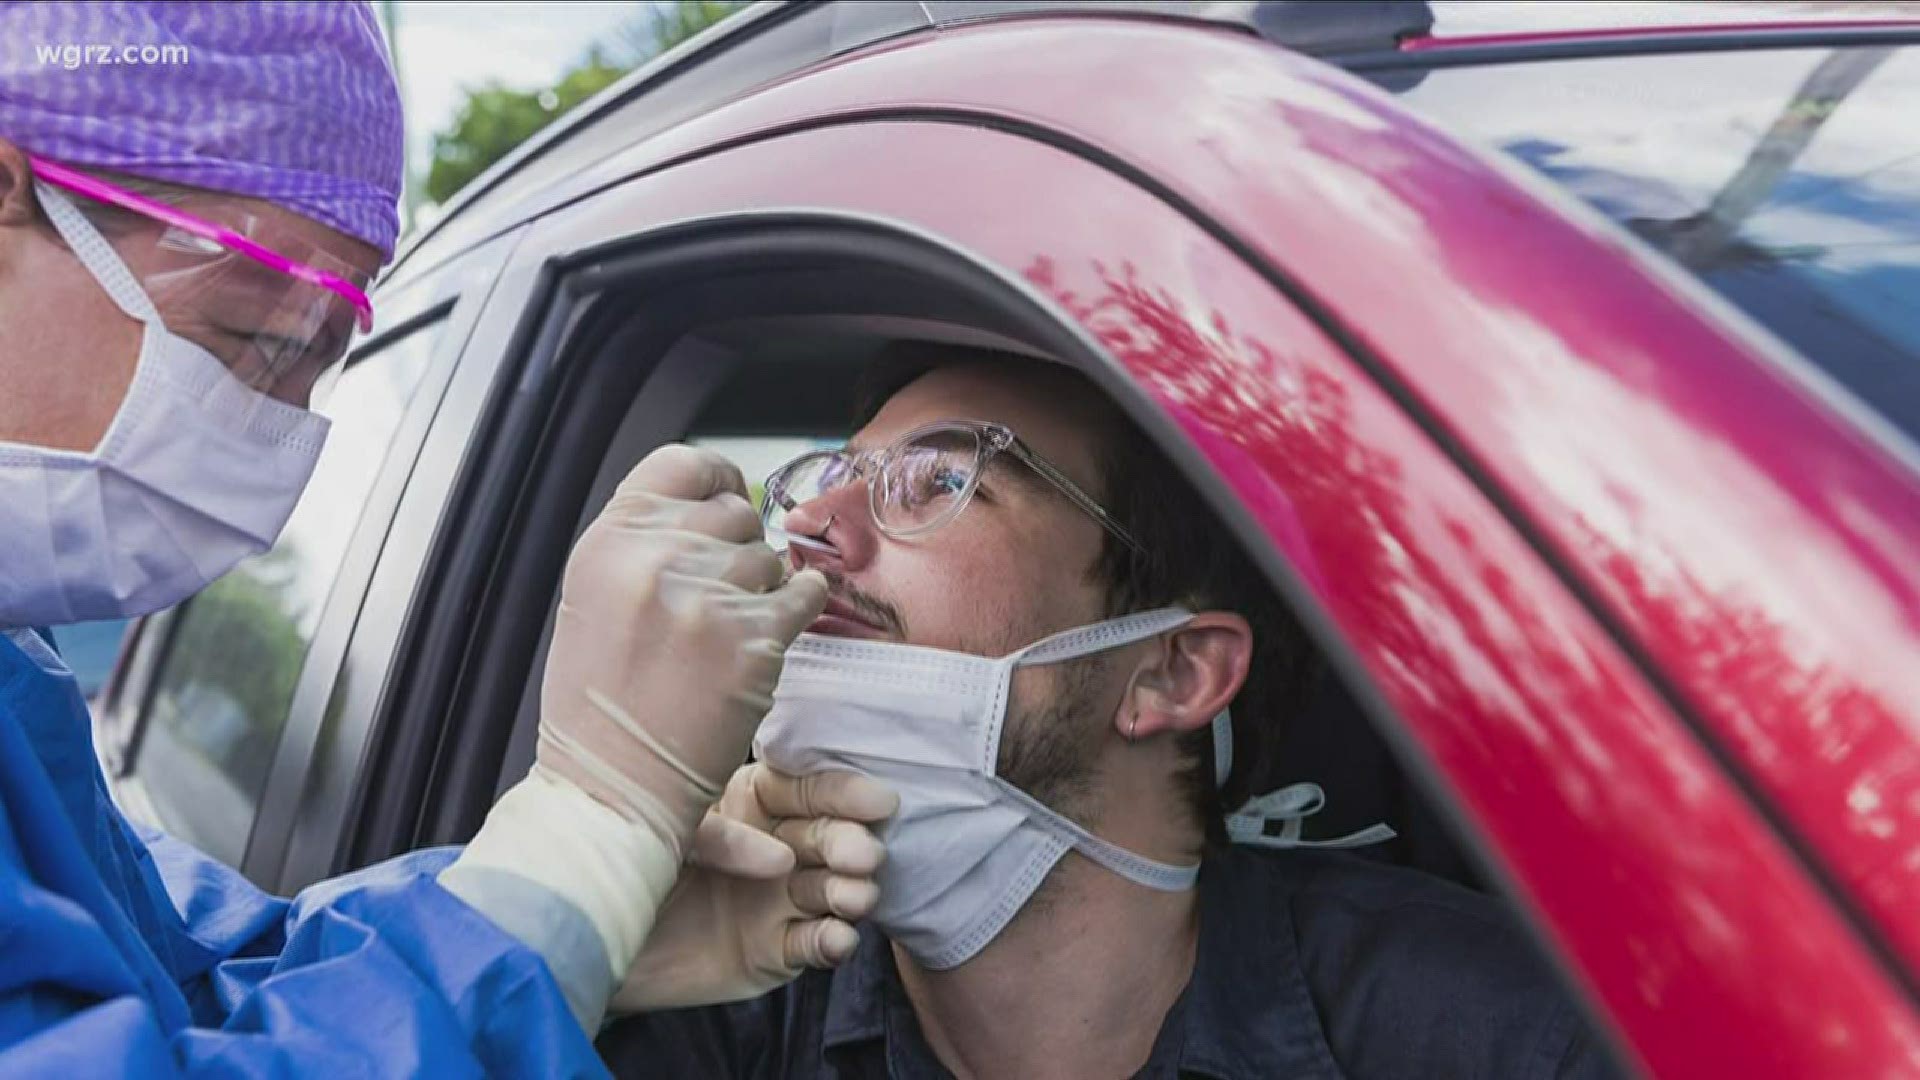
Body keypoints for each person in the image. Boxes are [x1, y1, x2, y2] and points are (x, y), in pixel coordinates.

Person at [0, 4, 891, 1074]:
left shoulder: (22, 684)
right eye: (241, 334)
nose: (264, 422)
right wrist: (588, 836)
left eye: (316, 361)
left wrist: (574, 918)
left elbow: (179, 978)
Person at [598, 344, 1620, 1078]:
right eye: (832, 475)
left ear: (1173, 674)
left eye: (939, 480)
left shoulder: (1495, 1037)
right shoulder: (708, 1005)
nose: (815, 526)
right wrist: (571, 942)